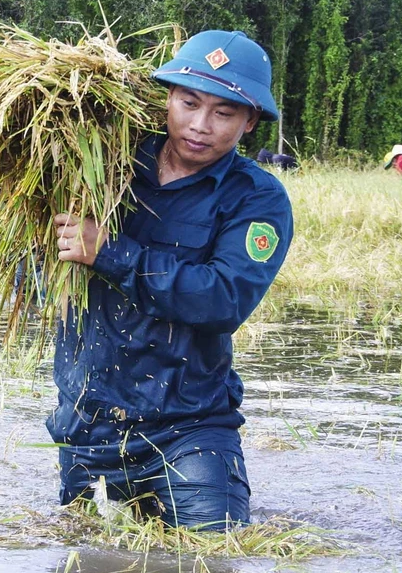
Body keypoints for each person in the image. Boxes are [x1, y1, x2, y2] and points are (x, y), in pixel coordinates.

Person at [48, 30, 293, 530]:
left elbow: (223, 299)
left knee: (212, 569)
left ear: (249, 122)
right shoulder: (102, 166)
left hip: (191, 429)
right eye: (189, 102)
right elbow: (38, 271)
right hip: (88, 423)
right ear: (168, 97)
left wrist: (109, 253)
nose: (200, 125)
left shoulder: (256, 199)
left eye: (224, 113)